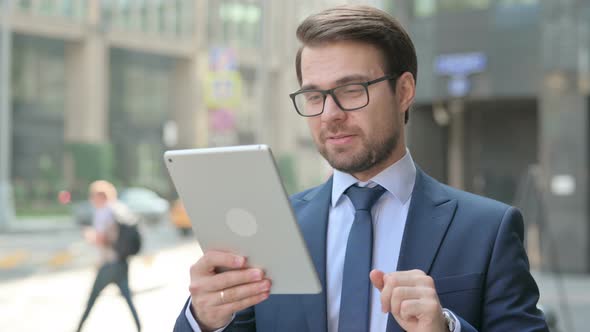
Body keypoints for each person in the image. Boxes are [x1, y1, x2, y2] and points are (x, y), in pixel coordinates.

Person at [174, 5, 548, 332]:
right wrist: (205, 321)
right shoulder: (273, 227)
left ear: (404, 92)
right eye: (314, 95)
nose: (330, 114)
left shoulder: (488, 230)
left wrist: (446, 329)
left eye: (352, 89)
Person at [76, 180, 142, 332]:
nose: (91, 199)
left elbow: (103, 239)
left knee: (92, 298)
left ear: (100, 196)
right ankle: (140, 327)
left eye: (93, 196)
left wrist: (89, 235)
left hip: (110, 264)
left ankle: (78, 328)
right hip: (122, 261)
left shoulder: (104, 212)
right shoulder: (120, 209)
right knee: (128, 299)